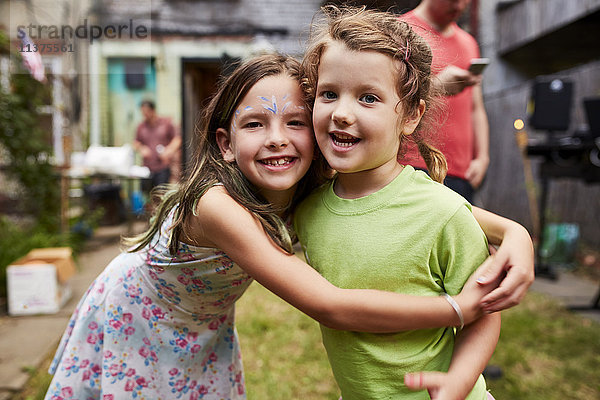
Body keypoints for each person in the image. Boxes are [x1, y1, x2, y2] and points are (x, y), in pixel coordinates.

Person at [45, 54, 529, 400]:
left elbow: (424, 205)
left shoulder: (304, 186)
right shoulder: (216, 205)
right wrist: (455, 308)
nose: (278, 140)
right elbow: (329, 304)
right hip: (140, 320)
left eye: (295, 122)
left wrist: (514, 233)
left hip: (202, 325)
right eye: (255, 124)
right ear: (226, 143)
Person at [296, 6, 500, 399]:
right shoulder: (308, 209)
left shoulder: (443, 212)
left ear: (409, 115)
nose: (341, 113)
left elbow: (484, 310)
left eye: (368, 98)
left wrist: (458, 383)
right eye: (329, 94)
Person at [399, 0, 489, 203]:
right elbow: (387, 97)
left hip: (461, 173)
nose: (459, 6)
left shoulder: (469, 43)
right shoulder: (400, 32)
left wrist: (482, 157)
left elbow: (476, 108)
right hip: (411, 166)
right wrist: (436, 87)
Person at [133, 100, 182, 193]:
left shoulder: (166, 124)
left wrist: (169, 150)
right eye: (143, 112)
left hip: (162, 166)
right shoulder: (141, 127)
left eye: (146, 112)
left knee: (161, 194)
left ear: (153, 110)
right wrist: (141, 148)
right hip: (147, 167)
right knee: (146, 194)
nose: (145, 115)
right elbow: (136, 143)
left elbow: (177, 139)